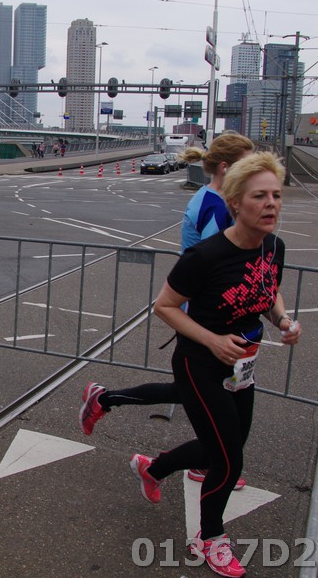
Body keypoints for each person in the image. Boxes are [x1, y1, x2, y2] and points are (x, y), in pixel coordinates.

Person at [127, 151, 301, 577]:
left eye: (276, 195)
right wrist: (212, 339)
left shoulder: (274, 246)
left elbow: (268, 290)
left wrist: (282, 319)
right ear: (236, 202)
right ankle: (210, 538)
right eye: (260, 196)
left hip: (242, 365)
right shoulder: (205, 256)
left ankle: (153, 468)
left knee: (222, 446)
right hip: (199, 364)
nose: (271, 204)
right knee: (228, 461)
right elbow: (164, 306)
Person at [80, 132, 255, 488]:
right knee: (209, 404)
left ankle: (107, 401)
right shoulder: (215, 207)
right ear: (226, 168)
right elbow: (214, 262)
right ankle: (184, 466)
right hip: (208, 319)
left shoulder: (214, 199)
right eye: (248, 166)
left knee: (194, 393)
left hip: (214, 317)